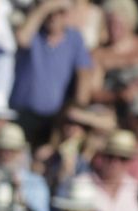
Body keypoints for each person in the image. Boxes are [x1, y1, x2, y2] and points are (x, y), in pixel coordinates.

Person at [11, 0, 95, 146]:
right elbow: (22, 39)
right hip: (22, 112)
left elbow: (84, 74)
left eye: (60, 12)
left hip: (54, 117)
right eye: (50, 13)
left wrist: (77, 111)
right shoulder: (34, 33)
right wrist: (46, 7)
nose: (54, 17)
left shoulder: (74, 38)